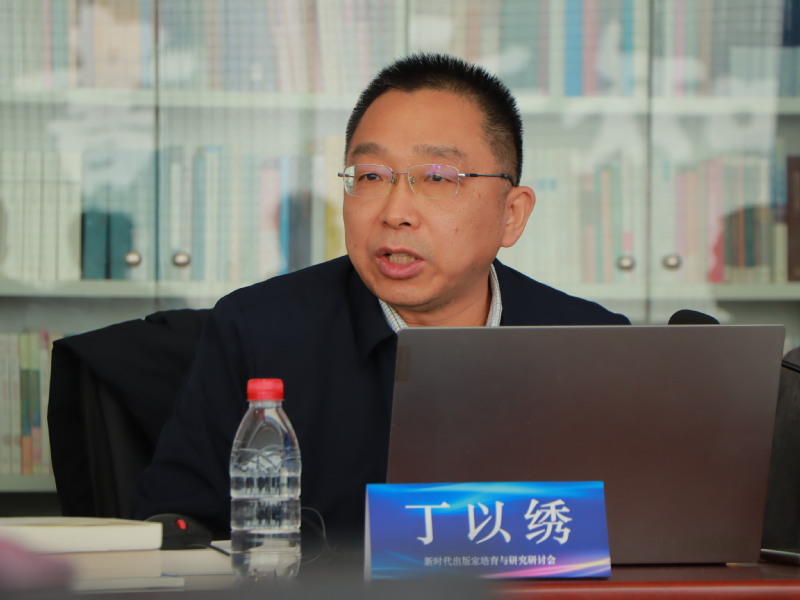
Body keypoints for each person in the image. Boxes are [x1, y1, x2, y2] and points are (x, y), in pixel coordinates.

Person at [132, 53, 629, 553]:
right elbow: (176, 529)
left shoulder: (594, 346)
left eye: (437, 177)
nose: (396, 212)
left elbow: (636, 532)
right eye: (370, 176)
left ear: (511, 214)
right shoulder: (257, 333)